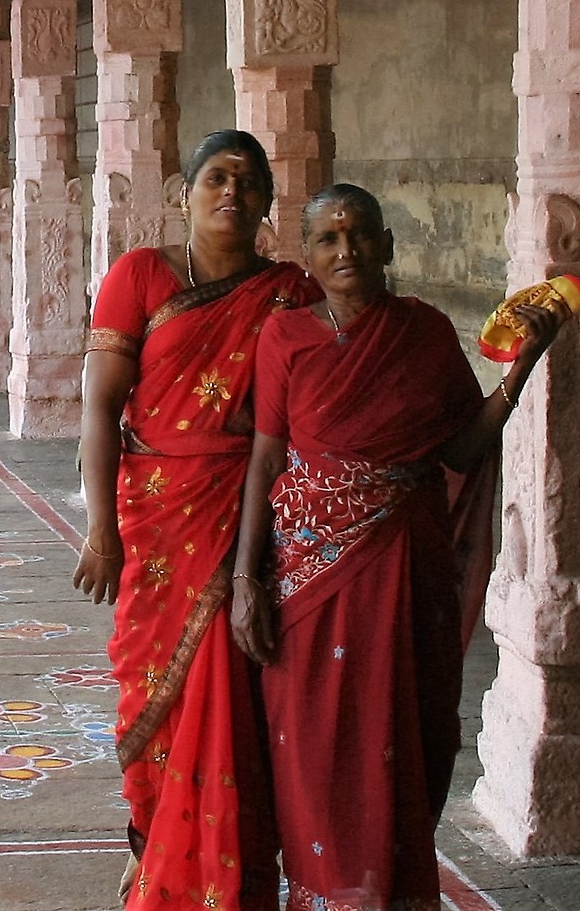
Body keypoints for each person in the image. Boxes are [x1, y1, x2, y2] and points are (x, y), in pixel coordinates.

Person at [229, 185, 562, 911]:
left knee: (399, 735)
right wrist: (246, 580)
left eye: (359, 235)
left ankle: (392, 894)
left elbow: (461, 446)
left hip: (404, 564)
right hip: (308, 573)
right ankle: (322, 894)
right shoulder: (285, 338)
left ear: (386, 245)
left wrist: (519, 371)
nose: (345, 250)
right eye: (327, 239)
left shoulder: (424, 333)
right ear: (308, 256)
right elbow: (265, 458)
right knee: (313, 745)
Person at [74, 130, 312, 911]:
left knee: (235, 701)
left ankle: (225, 867)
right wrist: (101, 528)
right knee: (153, 690)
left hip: (247, 517)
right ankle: (152, 851)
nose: (231, 194)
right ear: (184, 193)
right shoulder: (140, 276)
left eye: (249, 183)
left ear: (268, 202)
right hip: (158, 517)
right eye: (216, 177)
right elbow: (101, 407)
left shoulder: (289, 295)